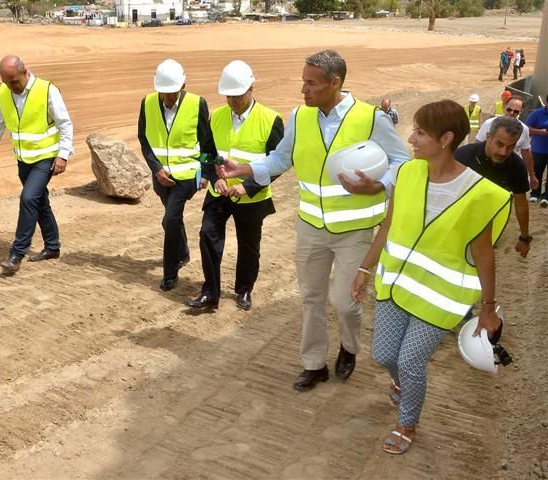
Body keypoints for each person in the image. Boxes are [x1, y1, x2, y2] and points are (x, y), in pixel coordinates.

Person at [218, 49, 411, 391]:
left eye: (311, 83)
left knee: (345, 301)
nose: (303, 90)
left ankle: (349, 348)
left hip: (354, 230)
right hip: (310, 226)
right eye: (302, 82)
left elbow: (401, 162)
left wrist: (380, 184)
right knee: (311, 298)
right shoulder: (300, 116)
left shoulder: (370, 118)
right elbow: (279, 160)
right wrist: (244, 170)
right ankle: (314, 364)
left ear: (335, 83)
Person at [351, 100, 511, 455]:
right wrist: (365, 268)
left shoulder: (479, 193)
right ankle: (401, 385)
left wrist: (488, 309)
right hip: (396, 285)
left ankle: (407, 422)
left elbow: (484, 254)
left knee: (410, 362)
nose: (411, 138)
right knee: (383, 355)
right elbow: (389, 224)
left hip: (439, 299)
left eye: (420, 132)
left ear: (446, 139)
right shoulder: (407, 173)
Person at [187, 60, 284, 313]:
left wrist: (248, 187)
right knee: (208, 236)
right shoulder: (216, 116)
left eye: (237, 96)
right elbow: (206, 154)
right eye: (228, 96)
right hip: (219, 193)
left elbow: (278, 164)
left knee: (249, 246)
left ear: (252, 88)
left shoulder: (271, 119)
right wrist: (214, 176)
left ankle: (244, 289)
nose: (232, 101)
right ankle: (210, 293)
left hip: (252, 196)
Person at [0, 55, 73, 275]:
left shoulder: (47, 89)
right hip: (23, 158)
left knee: (28, 198)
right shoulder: (3, 92)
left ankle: (17, 253)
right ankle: (52, 247)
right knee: (39, 202)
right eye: (6, 82)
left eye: (14, 81)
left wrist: (63, 155)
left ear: (25, 72)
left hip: (46, 157)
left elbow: (65, 124)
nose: (11, 86)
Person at [138, 59, 212, 291]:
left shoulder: (197, 104)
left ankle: (170, 273)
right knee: (171, 219)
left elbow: (207, 142)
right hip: (161, 178)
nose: (168, 97)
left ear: (183, 85)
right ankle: (182, 253)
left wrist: (206, 173)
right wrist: (156, 169)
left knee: (170, 219)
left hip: (187, 176)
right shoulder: (147, 103)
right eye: (164, 93)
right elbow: (144, 139)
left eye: (173, 93)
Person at [456, 116, 532, 258]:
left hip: (488, 226)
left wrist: (524, 238)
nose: (503, 152)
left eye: (511, 147)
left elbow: (521, 202)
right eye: (499, 144)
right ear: (488, 137)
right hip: (456, 220)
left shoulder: (517, 166)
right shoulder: (463, 155)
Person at [475, 95, 538, 190]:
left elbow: (526, 153)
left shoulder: (524, 129)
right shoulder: (489, 123)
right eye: (509, 109)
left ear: (521, 111)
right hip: (486, 168)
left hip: (509, 171)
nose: (512, 113)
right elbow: (477, 146)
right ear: (504, 107)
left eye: (516, 111)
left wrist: (532, 175)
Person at [525, 95, 548, 206]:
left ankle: (546, 196)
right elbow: (526, 128)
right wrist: (541, 132)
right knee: (536, 172)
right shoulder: (537, 113)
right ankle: (535, 193)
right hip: (538, 149)